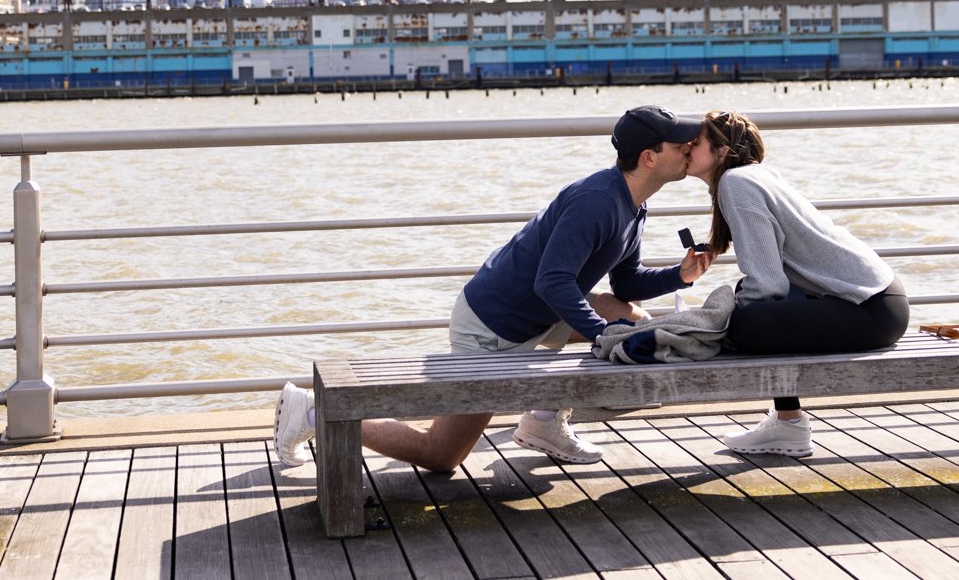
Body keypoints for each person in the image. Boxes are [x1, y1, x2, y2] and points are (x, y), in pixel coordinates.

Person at [274, 105, 717, 471]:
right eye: (681, 145)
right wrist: (602, 336)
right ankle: (314, 411)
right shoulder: (598, 201)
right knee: (441, 456)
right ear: (649, 158)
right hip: (494, 326)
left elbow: (626, 282)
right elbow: (552, 280)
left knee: (631, 317)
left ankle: (542, 422)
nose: (689, 149)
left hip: (539, 315)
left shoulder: (633, 205)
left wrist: (679, 277)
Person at [687, 109, 908, 457]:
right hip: (880, 301)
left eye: (696, 141)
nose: (687, 147)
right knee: (755, 315)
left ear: (722, 151)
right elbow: (773, 281)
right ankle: (787, 421)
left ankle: (788, 425)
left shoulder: (736, 183)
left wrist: (724, 312)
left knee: (746, 323)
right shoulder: (752, 176)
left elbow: (768, 284)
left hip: (869, 308)